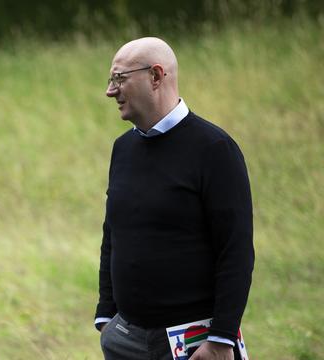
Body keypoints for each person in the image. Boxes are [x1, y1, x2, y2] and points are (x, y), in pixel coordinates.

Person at [95, 37, 254, 360]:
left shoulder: (214, 149)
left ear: (156, 76)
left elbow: (235, 250)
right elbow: (113, 231)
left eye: (120, 79)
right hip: (124, 338)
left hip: (196, 346)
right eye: (111, 80)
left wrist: (221, 338)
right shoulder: (122, 148)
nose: (111, 91)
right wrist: (106, 314)